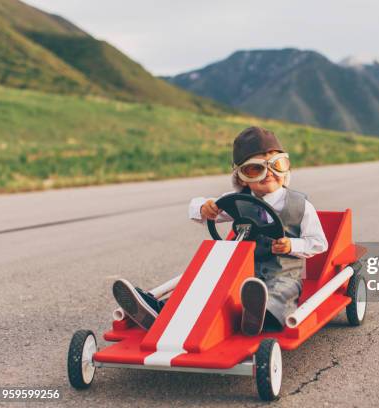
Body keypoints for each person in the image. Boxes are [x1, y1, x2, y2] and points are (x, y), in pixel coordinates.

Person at [112, 126, 328, 335]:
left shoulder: (300, 206)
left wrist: (293, 245)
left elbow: (319, 242)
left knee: (280, 295)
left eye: (277, 164)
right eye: (256, 168)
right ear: (242, 177)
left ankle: (256, 316)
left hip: (282, 273)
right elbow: (196, 208)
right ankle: (159, 311)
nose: (268, 174)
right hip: (241, 270)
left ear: (286, 167)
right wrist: (205, 207)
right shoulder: (239, 201)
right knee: (207, 286)